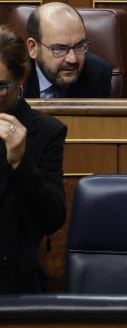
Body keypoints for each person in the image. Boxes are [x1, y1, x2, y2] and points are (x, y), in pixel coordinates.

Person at [0, 26, 67, 293]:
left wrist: (20, 164)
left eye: (0, 87)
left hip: (11, 282)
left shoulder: (46, 132)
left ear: (20, 80)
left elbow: (52, 218)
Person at [24, 3, 111, 99]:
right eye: (59, 48)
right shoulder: (14, 77)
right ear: (33, 48)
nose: (72, 59)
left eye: (79, 46)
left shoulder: (97, 74)